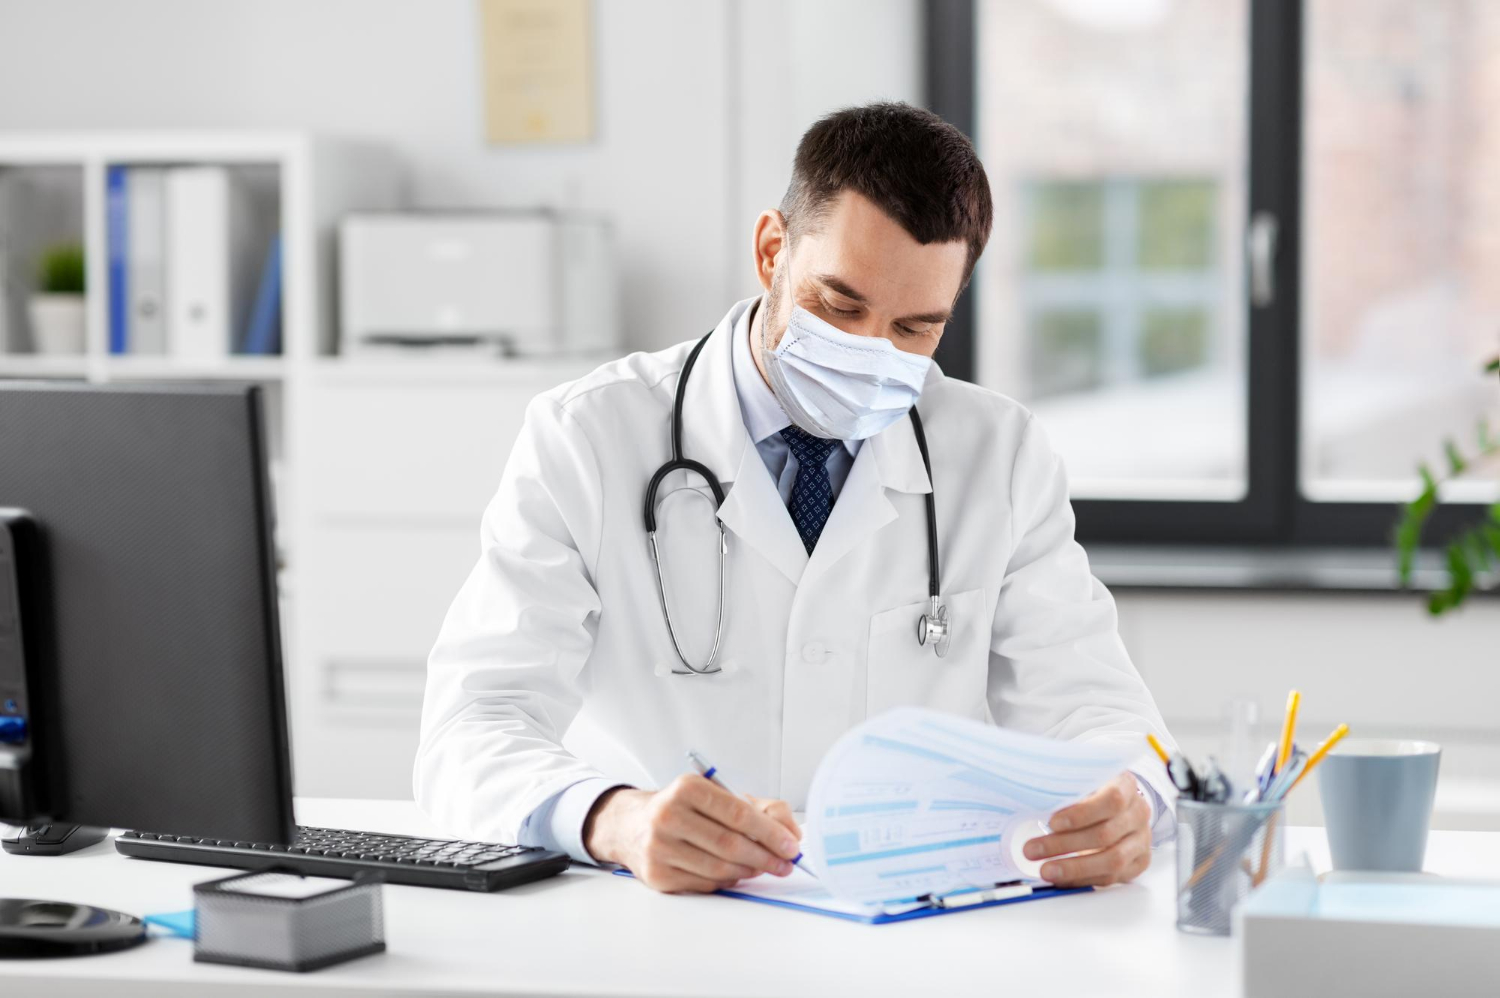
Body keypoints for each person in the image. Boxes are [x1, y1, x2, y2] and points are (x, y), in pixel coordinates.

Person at [416, 102, 1176, 895]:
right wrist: (616, 818)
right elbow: (472, 726)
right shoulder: (587, 437)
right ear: (773, 251)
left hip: (911, 921)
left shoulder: (999, 456)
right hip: (659, 920)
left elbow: (1103, 715)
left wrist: (1133, 803)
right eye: (840, 306)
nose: (869, 352)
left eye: (916, 328)